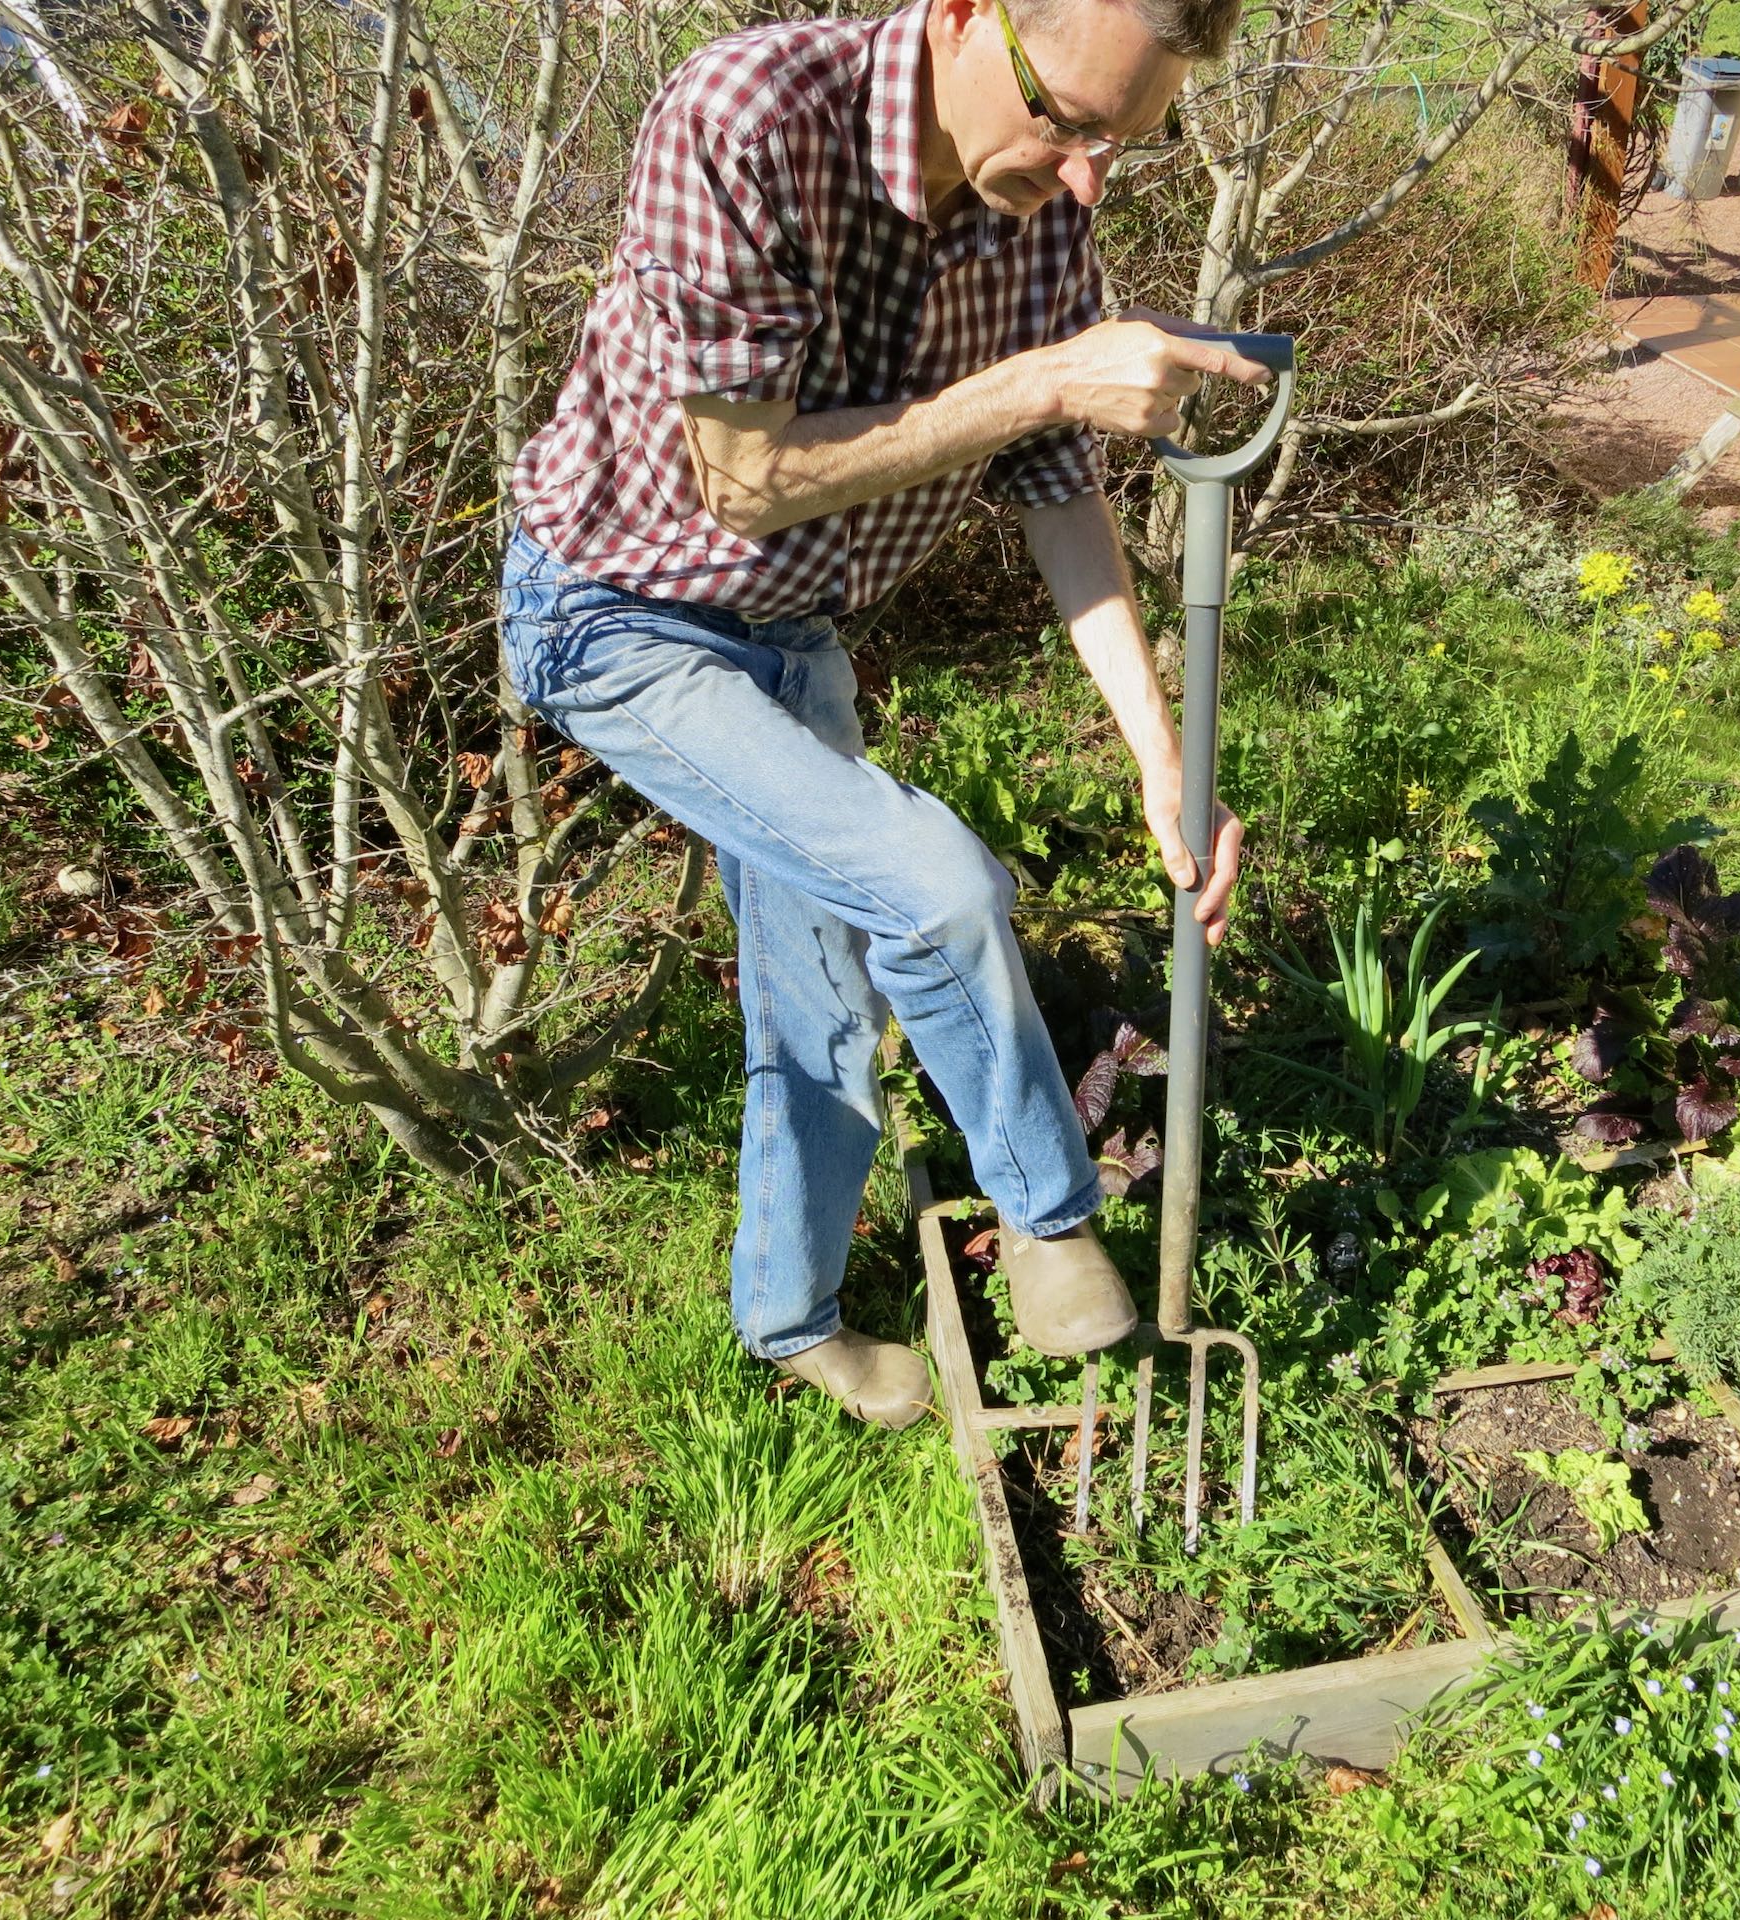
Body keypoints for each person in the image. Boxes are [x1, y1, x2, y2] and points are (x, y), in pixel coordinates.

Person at [502, 0, 1260, 1428]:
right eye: (1066, 118)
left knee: (830, 996)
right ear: (967, 15)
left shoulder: (1033, 199)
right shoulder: (749, 121)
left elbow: (1054, 487)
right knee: (938, 893)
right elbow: (746, 480)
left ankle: (789, 1318)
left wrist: (1165, 760)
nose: (1085, 175)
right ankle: (1046, 1215)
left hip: (789, 633)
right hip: (617, 617)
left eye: (1120, 143)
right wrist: (1046, 375)